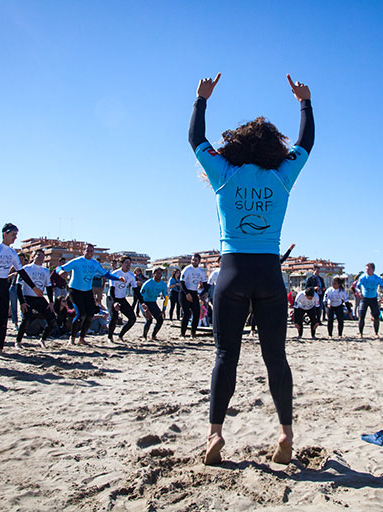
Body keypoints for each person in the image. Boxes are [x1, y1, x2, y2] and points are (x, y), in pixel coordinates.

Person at [189, 73, 313, 465]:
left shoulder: (224, 175)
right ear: (274, 147)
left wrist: (201, 100)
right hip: (269, 275)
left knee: (226, 355)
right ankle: (285, 434)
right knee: (276, 357)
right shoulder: (282, 177)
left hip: (232, 272)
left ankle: (214, 436)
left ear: (236, 145)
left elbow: (196, 140)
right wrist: (304, 102)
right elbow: (306, 143)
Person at [0, 223, 41, 359]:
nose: (15, 237)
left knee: (3, 319)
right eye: (12, 235)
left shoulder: (12, 253)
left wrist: (33, 287)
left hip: (3, 285)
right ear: (5, 234)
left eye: (16, 235)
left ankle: (0, 348)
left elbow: (21, 271)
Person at [55, 243, 118, 346]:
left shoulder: (95, 263)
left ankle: (82, 338)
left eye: (91, 251)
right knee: (81, 314)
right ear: (83, 251)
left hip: (87, 291)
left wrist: (118, 278)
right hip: (75, 290)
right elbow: (59, 268)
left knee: (90, 315)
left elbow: (106, 274)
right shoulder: (77, 261)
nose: (89, 253)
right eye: (87, 250)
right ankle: (72, 338)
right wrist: (61, 272)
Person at [15, 249, 57, 349]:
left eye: (43, 256)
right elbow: (18, 287)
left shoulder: (45, 271)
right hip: (27, 298)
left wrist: (51, 302)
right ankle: (18, 341)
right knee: (26, 318)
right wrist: (22, 302)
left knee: (52, 320)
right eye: (38, 255)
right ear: (33, 257)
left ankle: (42, 340)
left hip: (40, 298)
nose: (40, 257)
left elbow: (49, 287)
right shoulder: (26, 268)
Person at [106, 255, 138, 342]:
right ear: (121, 263)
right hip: (111, 298)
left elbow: (136, 290)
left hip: (122, 298)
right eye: (126, 263)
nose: (128, 265)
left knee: (132, 319)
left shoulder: (131, 275)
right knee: (114, 318)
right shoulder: (115, 274)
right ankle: (110, 337)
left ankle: (120, 335)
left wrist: (142, 302)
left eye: (130, 263)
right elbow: (112, 290)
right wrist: (114, 303)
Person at [355, 263, 383, 338]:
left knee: (376, 316)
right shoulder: (363, 277)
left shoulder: (377, 278)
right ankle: (360, 333)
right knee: (361, 315)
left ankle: (376, 333)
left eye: (368, 269)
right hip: (364, 298)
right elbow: (357, 286)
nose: (367, 271)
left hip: (373, 298)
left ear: (373, 270)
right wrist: (359, 292)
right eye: (366, 269)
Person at [180, 253, 207, 338]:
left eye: (195, 260)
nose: (193, 261)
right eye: (192, 260)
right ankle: (182, 333)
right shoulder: (187, 269)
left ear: (199, 261)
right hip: (184, 292)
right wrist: (187, 293)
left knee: (196, 313)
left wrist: (204, 293)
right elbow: (182, 282)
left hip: (194, 292)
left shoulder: (201, 271)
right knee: (187, 313)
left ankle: (193, 333)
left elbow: (205, 284)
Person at [140, 267, 167, 340]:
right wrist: (145, 309)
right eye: (157, 273)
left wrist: (164, 309)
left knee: (160, 320)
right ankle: (144, 336)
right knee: (149, 320)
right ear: (153, 274)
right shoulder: (148, 283)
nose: (159, 274)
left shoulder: (163, 284)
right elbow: (140, 297)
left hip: (153, 302)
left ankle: (153, 336)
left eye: (160, 273)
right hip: (144, 302)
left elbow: (166, 298)